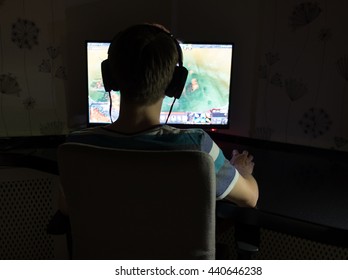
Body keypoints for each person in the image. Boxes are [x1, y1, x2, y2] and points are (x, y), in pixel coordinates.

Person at [59, 23, 258, 212]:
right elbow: (250, 198)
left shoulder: (78, 146)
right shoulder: (199, 149)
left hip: (102, 249)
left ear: (109, 77)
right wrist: (241, 171)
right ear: (175, 84)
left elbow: (67, 208)